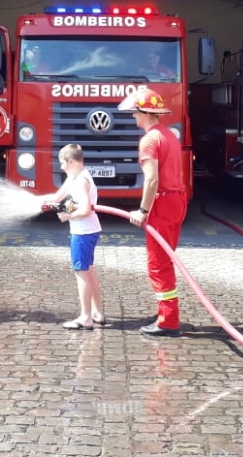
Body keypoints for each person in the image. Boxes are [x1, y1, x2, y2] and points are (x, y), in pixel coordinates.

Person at [120, 88, 188, 337]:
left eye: (134, 113)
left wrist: (142, 210)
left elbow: (151, 181)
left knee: (158, 264)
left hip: (163, 203)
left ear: (144, 112)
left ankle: (168, 321)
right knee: (165, 260)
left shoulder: (149, 140)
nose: (133, 118)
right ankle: (166, 312)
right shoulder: (168, 135)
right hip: (177, 201)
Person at [44, 143, 106, 330]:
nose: (61, 166)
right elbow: (58, 196)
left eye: (62, 163)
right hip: (89, 231)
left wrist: (66, 216)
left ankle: (85, 317)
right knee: (89, 271)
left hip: (82, 233)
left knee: (81, 272)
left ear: (71, 161)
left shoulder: (80, 182)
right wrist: (41, 202)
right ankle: (96, 312)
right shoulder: (75, 176)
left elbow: (85, 209)